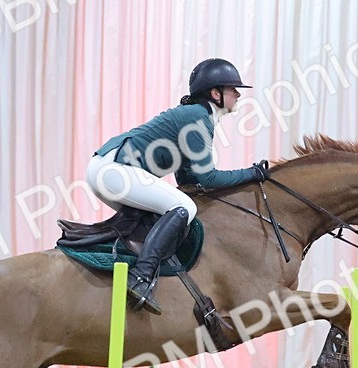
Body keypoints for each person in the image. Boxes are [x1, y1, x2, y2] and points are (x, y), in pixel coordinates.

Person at [86, 58, 269, 314]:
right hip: (114, 171)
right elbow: (208, 179)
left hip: (109, 169)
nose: (238, 94)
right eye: (232, 89)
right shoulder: (198, 118)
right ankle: (139, 278)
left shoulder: (197, 117)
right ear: (215, 94)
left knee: (170, 209)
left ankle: (133, 267)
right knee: (183, 207)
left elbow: (188, 180)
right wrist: (252, 174)